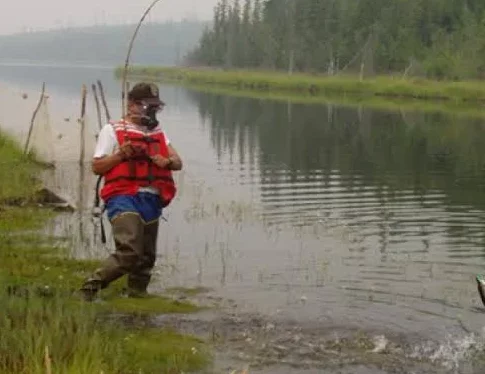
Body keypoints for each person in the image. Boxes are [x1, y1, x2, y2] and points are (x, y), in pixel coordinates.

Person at [79, 82, 183, 301]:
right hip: (123, 194)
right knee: (130, 251)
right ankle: (88, 289)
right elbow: (97, 167)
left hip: (151, 197)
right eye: (147, 105)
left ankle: (137, 296)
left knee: (146, 257)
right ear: (133, 105)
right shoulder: (113, 130)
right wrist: (121, 155)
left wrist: (167, 161)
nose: (152, 111)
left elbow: (177, 162)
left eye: (155, 106)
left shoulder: (158, 132)